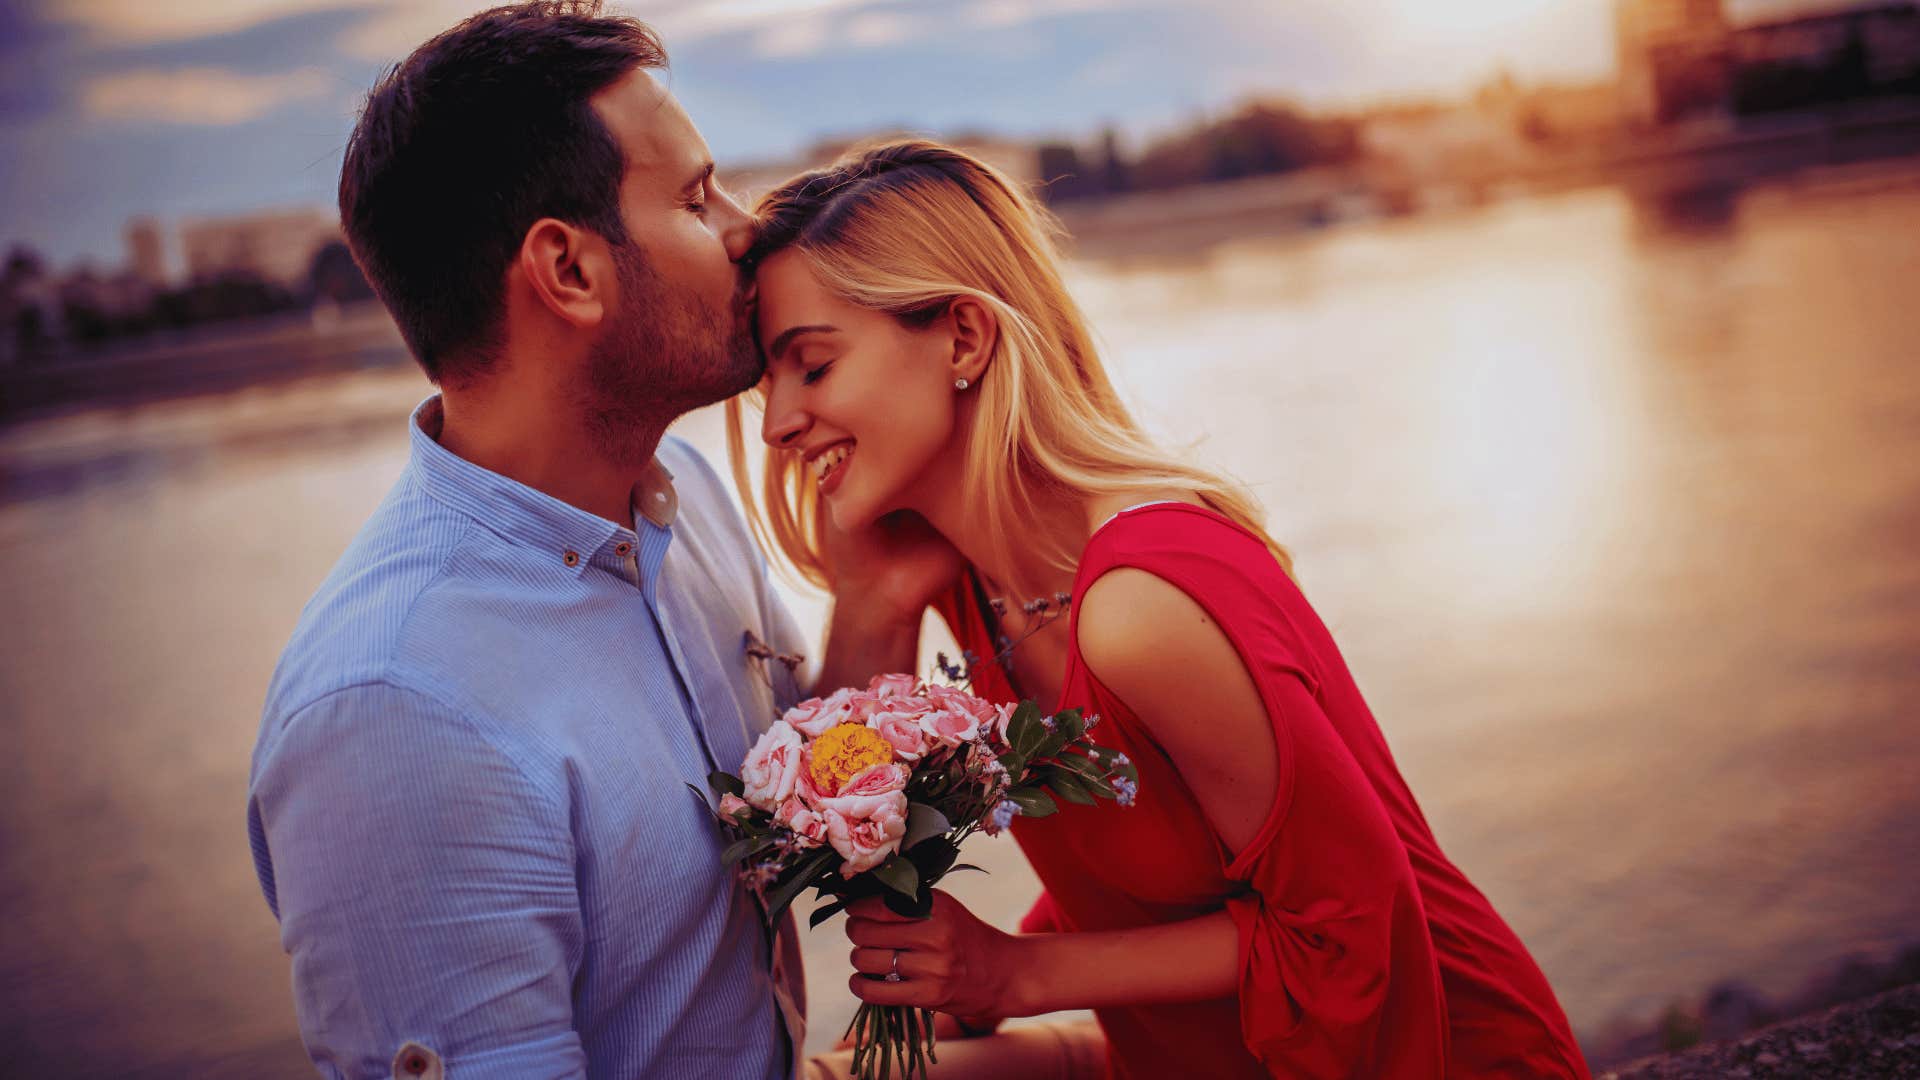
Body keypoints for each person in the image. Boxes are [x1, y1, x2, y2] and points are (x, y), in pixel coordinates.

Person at [730, 140, 1593, 1079]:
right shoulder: (975, 589)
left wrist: (1015, 975)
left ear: (966, 339)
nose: (776, 423)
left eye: (811, 367)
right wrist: (876, 597)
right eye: (768, 382)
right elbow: (834, 834)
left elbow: (1352, 934)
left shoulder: (1142, 606)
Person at [246, 5, 930, 1078]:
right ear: (568, 272)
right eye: (698, 198)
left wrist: (880, 597)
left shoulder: (680, 495)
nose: (748, 225)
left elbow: (799, 830)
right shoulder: (395, 712)